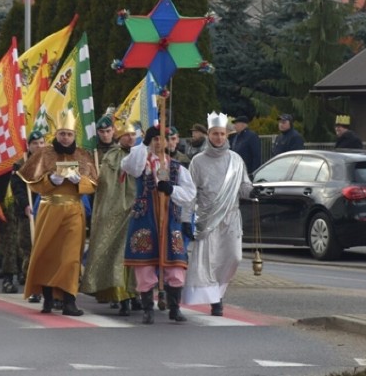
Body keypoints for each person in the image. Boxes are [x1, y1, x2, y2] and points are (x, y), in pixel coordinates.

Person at [17, 110, 97, 316]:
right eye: (62, 133)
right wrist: (51, 181)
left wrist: (82, 183)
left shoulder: (82, 155)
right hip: (50, 208)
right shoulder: (44, 155)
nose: (65, 138)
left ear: (74, 136)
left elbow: (94, 184)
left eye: (69, 134)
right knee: (47, 253)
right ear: (56, 134)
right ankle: (48, 298)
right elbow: (32, 185)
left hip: (73, 210)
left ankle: (69, 300)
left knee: (71, 257)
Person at [121, 125, 196, 324]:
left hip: (170, 220)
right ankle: (148, 309)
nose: (158, 143)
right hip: (145, 219)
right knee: (144, 266)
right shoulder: (141, 163)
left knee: (176, 266)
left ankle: (175, 307)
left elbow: (189, 194)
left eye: (161, 139)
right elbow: (129, 166)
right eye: (154, 139)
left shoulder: (176, 167)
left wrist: (171, 189)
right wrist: (143, 144)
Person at [184, 112, 255, 316]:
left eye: (222, 134)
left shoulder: (236, 160)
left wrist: (253, 191)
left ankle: (219, 290)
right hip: (207, 219)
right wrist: (186, 219)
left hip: (231, 217)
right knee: (209, 260)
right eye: (215, 134)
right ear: (209, 135)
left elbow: (244, 186)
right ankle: (215, 299)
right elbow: (190, 194)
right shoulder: (197, 161)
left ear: (227, 135)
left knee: (234, 257)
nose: (219, 138)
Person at [80, 124, 138, 315]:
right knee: (117, 255)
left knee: (137, 255)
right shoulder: (111, 156)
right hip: (116, 212)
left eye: (133, 135)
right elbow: (106, 188)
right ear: (119, 136)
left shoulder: (141, 155)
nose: (130, 138)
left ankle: (137, 293)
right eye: (126, 135)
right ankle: (121, 296)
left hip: (138, 211)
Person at [11, 131, 44, 300]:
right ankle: (33, 289)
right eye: (35, 143)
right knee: (29, 249)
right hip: (28, 213)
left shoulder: (49, 161)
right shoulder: (20, 164)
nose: (38, 146)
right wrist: (25, 205)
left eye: (41, 143)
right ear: (29, 146)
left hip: (46, 211)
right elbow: (17, 188)